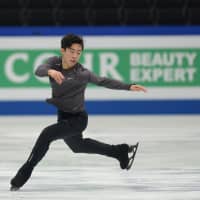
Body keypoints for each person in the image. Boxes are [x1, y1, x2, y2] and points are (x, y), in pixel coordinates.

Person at [10, 33, 147, 191]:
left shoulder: (82, 73)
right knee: (78, 146)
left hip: (78, 119)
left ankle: (21, 177)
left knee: (46, 134)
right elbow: (39, 70)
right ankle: (120, 151)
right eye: (72, 51)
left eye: (79, 52)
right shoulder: (54, 63)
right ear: (63, 50)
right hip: (63, 115)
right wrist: (51, 72)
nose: (75, 55)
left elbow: (103, 81)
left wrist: (128, 86)